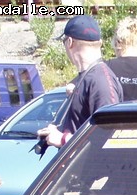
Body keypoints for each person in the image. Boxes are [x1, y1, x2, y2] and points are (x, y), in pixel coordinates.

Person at [37, 15, 123, 149]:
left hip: (92, 169)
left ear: (69, 42)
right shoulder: (88, 77)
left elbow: (108, 136)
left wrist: (63, 139)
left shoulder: (101, 80)